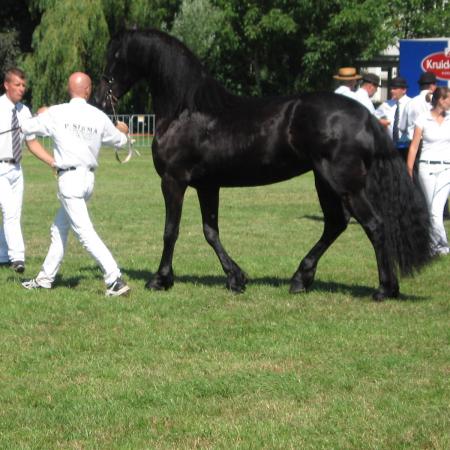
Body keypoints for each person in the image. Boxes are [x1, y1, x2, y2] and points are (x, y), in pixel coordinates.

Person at [20, 72, 131, 296]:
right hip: (88, 180)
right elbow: (121, 141)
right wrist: (123, 129)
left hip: (69, 180)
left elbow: (26, 129)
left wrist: (40, 114)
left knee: (84, 232)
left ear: (69, 89)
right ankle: (45, 278)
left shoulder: (57, 112)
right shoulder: (98, 116)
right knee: (59, 228)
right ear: (88, 91)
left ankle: (114, 279)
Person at [0, 67, 54, 273]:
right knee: (10, 212)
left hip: (16, 169)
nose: (21, 89)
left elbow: (32, 143)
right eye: (17, 84)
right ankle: (18, 257)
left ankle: (3, 255)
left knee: (12, 213)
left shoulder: (24, 112)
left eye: (23, 85)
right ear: (7, 85)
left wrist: (53, 162)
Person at [406, 87, 450, 256]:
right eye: (449, 99)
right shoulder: (423, 119)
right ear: (441, 100)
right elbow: (414, 146)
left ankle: (442, 246)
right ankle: (434, 246)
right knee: (432, 210)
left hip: (446, 168)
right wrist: (409, 169)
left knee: (435, 210)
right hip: (426, 168)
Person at [375, 76, 412, 158]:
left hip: (407, 147)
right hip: (391, 146)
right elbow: (373, 118)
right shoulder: (386, 105)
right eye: (391, 88)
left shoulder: (411, 104)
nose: (391, 91)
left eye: (395, 88)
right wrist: (380, 122)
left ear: (404, 90)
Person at [402, 71, 437, 140]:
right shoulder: (437, 101)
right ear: (431, 86)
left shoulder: (410, 103)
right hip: (431, 143)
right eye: (435, 84)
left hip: (412, 143)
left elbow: (402, 127)